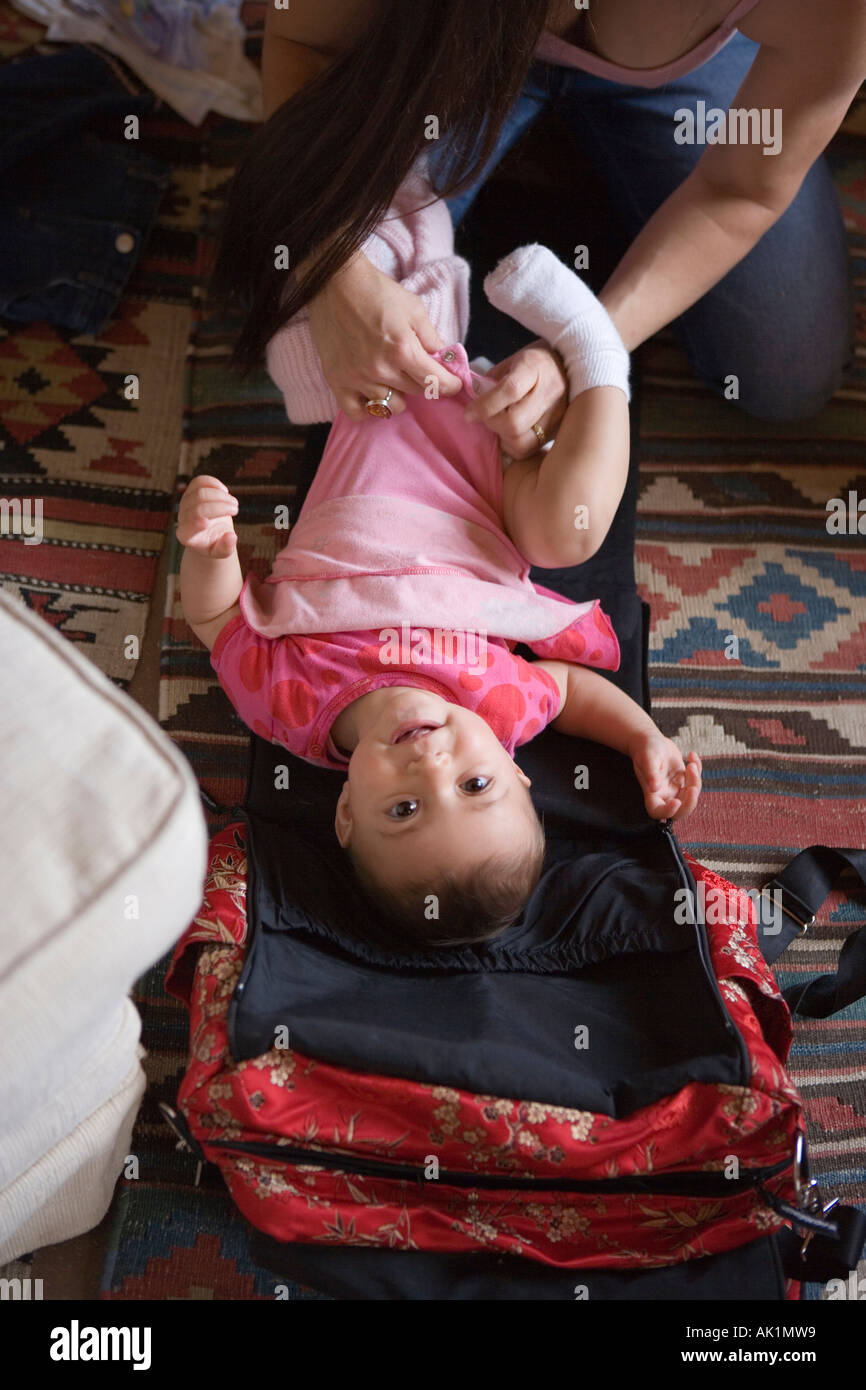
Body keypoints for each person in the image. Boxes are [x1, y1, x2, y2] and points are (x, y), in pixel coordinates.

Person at [179, 242, 702, 948]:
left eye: (401, 810)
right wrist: (643, 737)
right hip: (486, 482)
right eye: (475, 788)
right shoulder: (500, 705)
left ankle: (382, 243)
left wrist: (210, 548)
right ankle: (594, 348)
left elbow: (216, 621)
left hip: (372, 412)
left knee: (302, 336)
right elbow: (573, 694)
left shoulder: (292, 707)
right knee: (567, 533)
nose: (432, 769)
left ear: (345, 815)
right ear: (517, 773)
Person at [212, 0, 865, 445]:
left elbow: (740, 193)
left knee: (789, 373)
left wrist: (583, 348)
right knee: (303, 328)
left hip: (707, 71)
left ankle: (570, 155)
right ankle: (553, 158)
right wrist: (335, 258)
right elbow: (302, 40)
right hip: (458, 33)